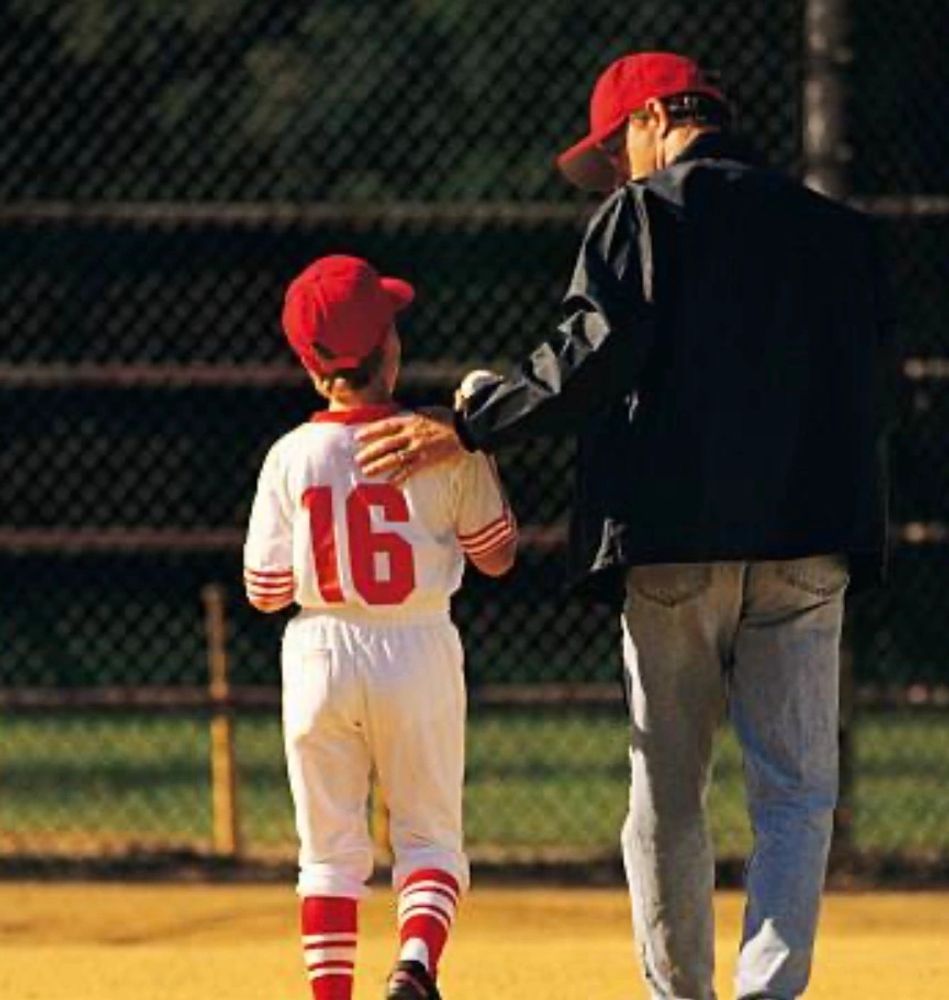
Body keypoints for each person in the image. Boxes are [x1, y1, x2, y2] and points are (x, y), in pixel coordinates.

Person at [353, 51, 891, 1000]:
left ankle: (677, 994)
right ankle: (770, 991)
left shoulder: (644, 215)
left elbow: (588, 355)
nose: (613, 176)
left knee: (667, 791)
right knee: (797, 792)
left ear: (651, 120)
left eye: (612, 154)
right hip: (808, 537)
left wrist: (473, 419)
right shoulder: (834, 233)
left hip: (670, 537)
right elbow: (869, 392)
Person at [243, 254, 517, 1000]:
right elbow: (495, 556)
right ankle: (413, 966)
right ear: (390, 350)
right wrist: (477, 444)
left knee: (327, 853)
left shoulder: (289, 455)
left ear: (309, 364)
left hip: (319, 651)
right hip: (418, 643)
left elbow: (265, 591)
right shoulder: (434, 443)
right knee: (428, 835)